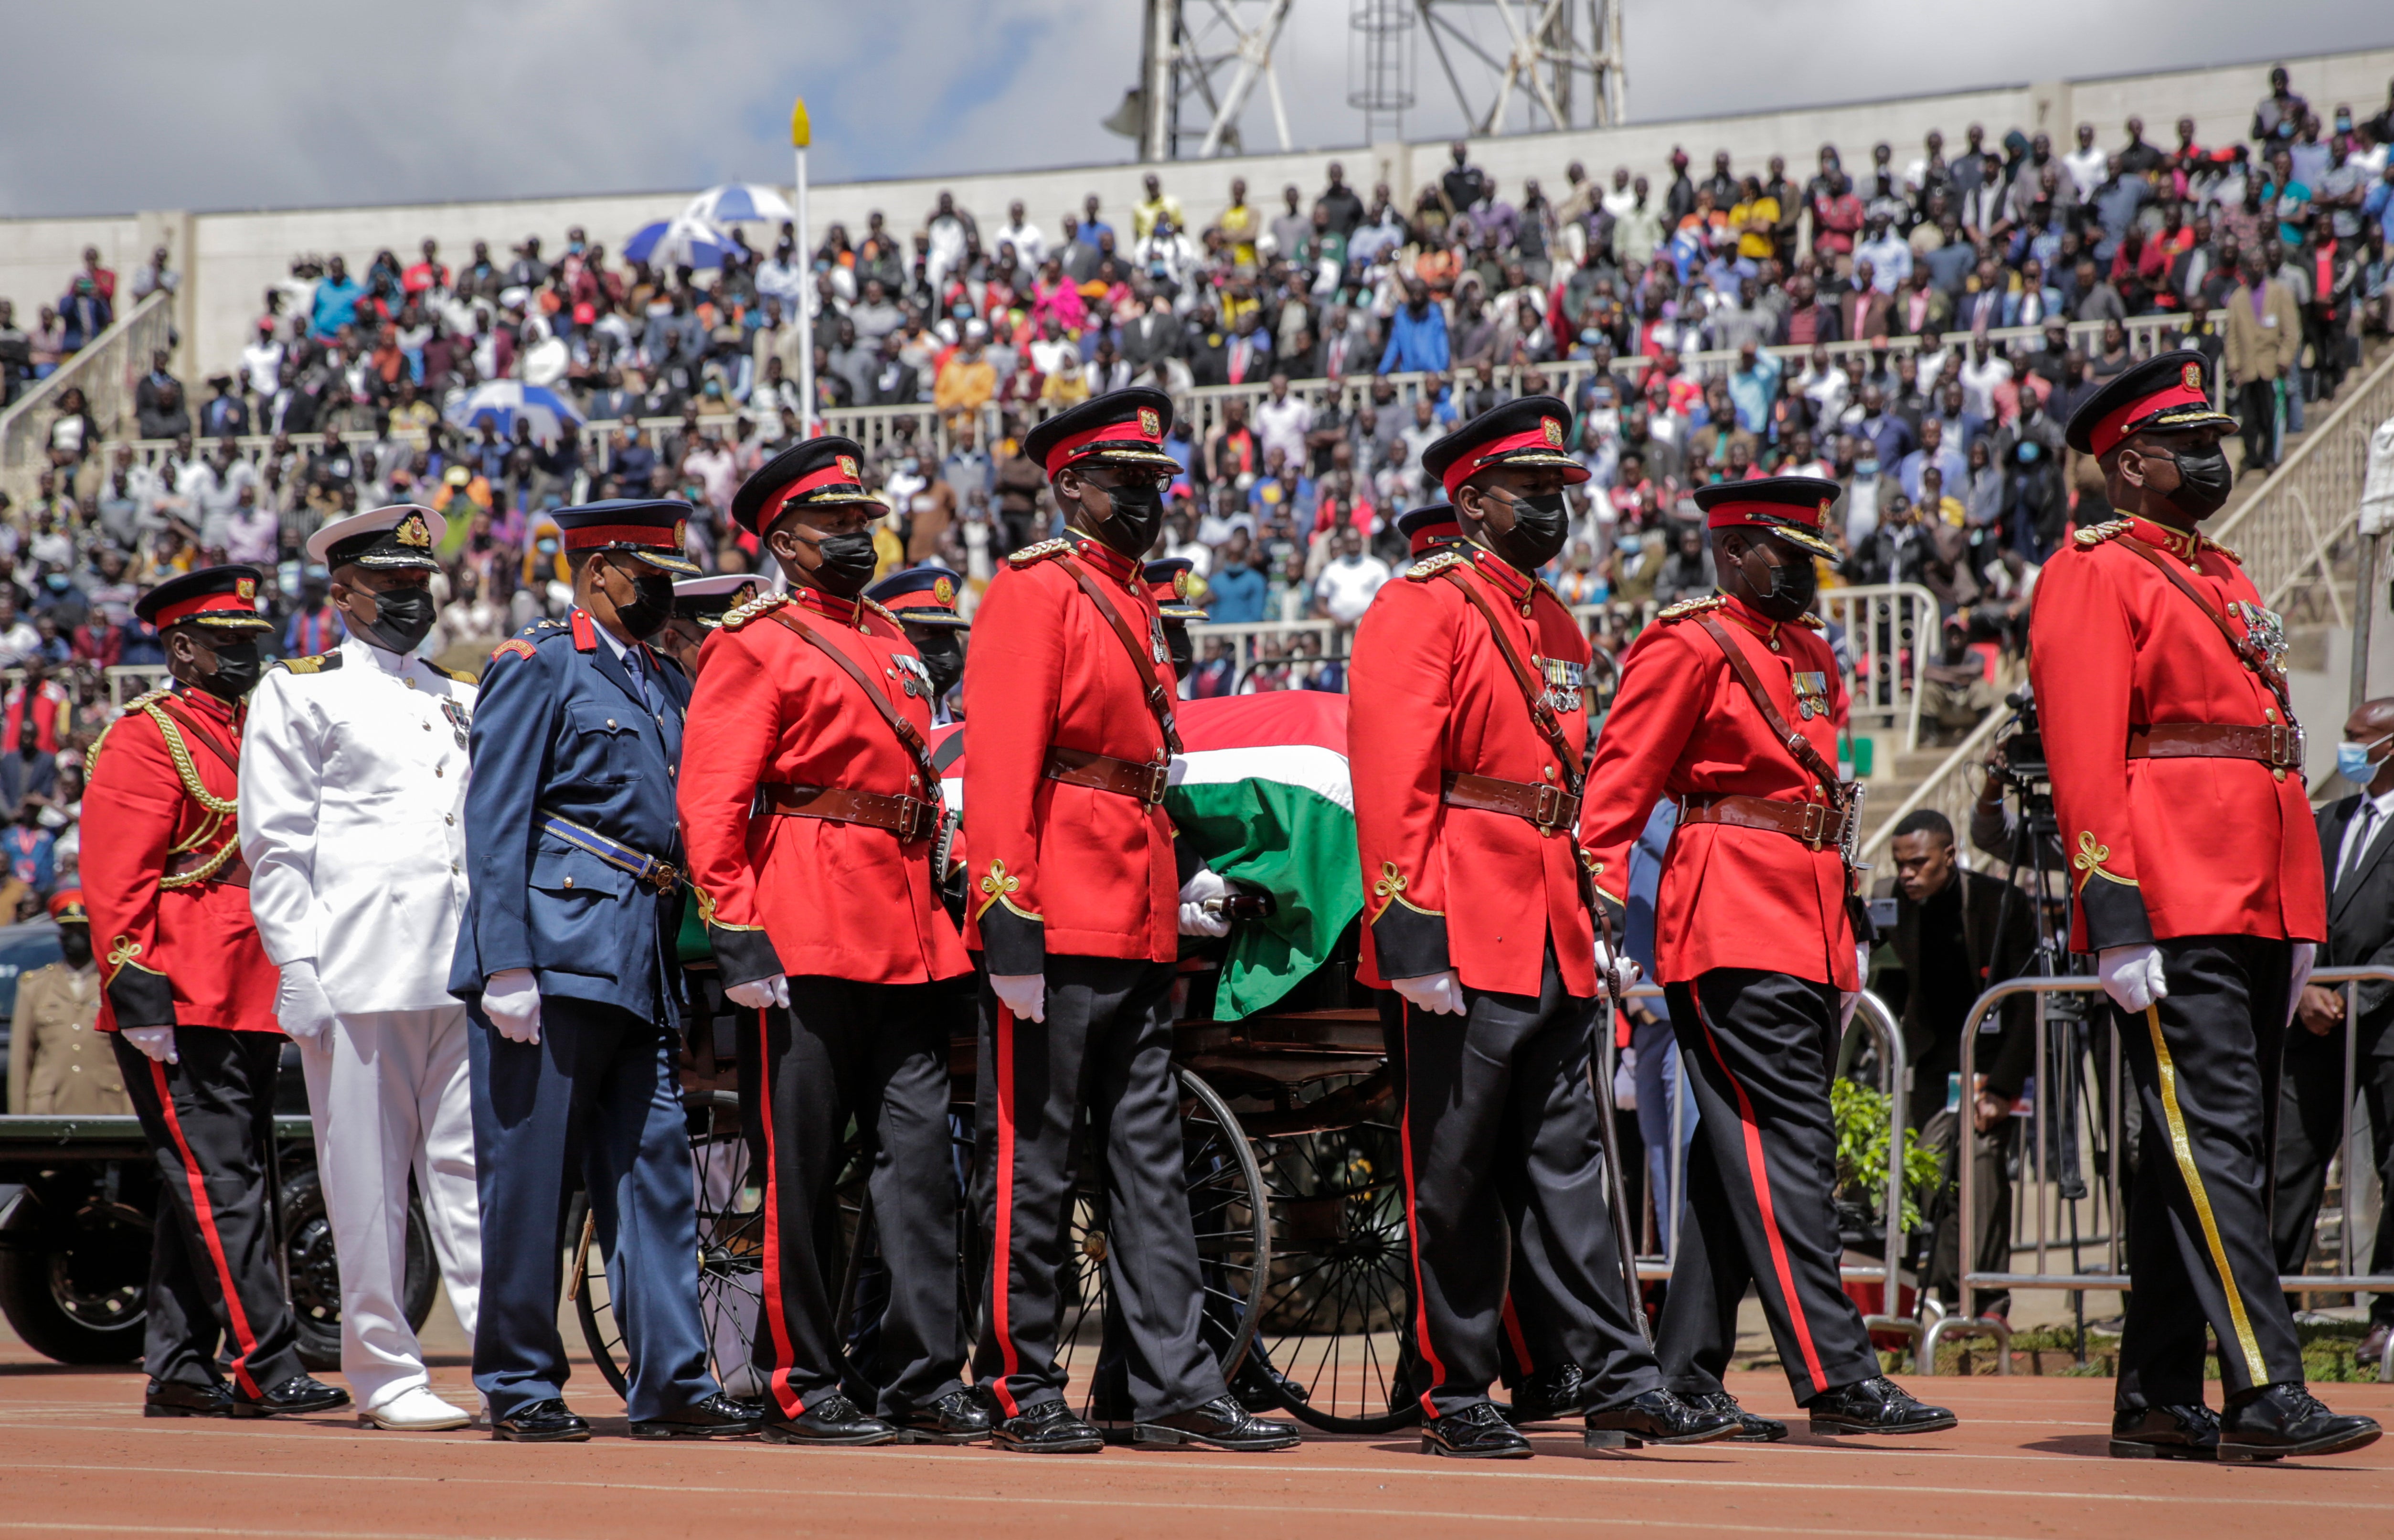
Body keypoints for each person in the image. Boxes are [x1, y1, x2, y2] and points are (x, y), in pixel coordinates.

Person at [1350, 397, 1736, 1460]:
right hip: (1460, 923)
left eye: (1559, 491)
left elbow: (1568, 788)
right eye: (1530, 492)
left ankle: (1618, 1377)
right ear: (1473, 502)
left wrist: (1590, 906)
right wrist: (1410, 931)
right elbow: (1393, 778)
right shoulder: (1419, 606)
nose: (1552, 509)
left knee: (1568, 1170)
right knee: (1453, 1172)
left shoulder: (1556, 622)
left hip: (1551, 928)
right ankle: (1452, 1388)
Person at [2036, 351, 2378, 1462]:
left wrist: (2299, 910)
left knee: (2191, 1146)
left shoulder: (2222, 571)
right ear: (2128, 463)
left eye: (2210, 440)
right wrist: (2114, 912)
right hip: (2174, 890)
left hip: (2254, 891)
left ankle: (2155, 1389)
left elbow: (2269, 748)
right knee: (2219, 1136)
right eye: (2185, 444)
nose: (2208, 459)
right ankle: (2265, 1381)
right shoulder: (2094, 571)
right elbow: (2084, 750)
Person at [1576, 477, 1956, 1442]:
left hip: (1806, 918)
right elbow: (1618, 781)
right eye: (1785, 556)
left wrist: (1844, 931)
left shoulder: (1810, 650)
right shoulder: (1687, 643)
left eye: (1808, 558)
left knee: (1730, 1160)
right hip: (1732, 917)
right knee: (1789, 1147)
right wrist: (1595, 901)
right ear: (1732, 552)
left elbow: (1825, 800)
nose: (1801, 575)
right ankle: (1838, 1373)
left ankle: (1685, 1375)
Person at [962, 389, 1298, 1454]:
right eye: (1127, 482)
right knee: (1034, 1160)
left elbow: (1145, 772)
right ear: (1071, 487)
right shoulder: (1035, 592)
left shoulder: (1130, 599)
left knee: (1149, 1164)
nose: (1149, 500)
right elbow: (1003, 764)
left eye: (1157, 482)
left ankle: (1171, 1383)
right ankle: (1018, 1381)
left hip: (1134, 911)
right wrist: (1006, 915)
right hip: (1057, 914)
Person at [678, 439, 983, 1448]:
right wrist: (736, 931)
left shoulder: (890, 636)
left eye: (863, 520)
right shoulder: (754, 641)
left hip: (906, 927)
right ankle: (798, 1378)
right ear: (784, 542)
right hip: (802, 929)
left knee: (920, 1169)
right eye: (835, 524)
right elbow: (713, 800)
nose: (858, 536)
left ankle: (921, 1375)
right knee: (800, 1174)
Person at [449, 499, 760, 1444]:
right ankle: (519, 1382)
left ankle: (671, 1380)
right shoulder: (538, 665)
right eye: (647, 573)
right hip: (551, 955)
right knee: (530, 1183)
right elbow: (494, 819)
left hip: (639, 956)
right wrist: (505, 961)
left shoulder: (661, 677)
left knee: (654, 1176)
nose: (662, 591)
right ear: (596, 572)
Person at [238, 504, 484, 1432]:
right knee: (367, 1184)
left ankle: (506, 1357)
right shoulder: (300, 691)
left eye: (420, 583)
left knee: (472, 1175)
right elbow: (276, 843)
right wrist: (295, 960)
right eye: (392, 586)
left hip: (457, 965)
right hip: (357, 965)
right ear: (343, 594)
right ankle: (384, 1370)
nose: (411, 599)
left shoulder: (457, 694)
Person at [85, 566, 348, 1421]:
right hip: (181, 989)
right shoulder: (145, 736)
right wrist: (136, 988)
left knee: (212, 1181)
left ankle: (180, 1365)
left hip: (250, 984)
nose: (245, 655)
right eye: (225, 642)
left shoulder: (254, 730)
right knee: (221, 1182)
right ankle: (264, 1362)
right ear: (182, 651)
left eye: (250, 640)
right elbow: (116, 878)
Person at [1876, 809, 2035, 1324]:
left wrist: (2003, 1087)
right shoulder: (1888, 900)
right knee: (1930, 1165)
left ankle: (1986, 1301)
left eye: (1918, 863)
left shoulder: (1997, 901)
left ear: (1949, 856)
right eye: (1900, 864)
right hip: (1931, 1059)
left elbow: (2026, 1002)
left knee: (1982, 1161)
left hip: (1991, 1059)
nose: (1907, 874)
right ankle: (1947, 1296)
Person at [2276, 698, 2394, 1369]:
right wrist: (2305, 990)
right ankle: (2266, 1311)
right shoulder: (2328, 821)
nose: (2349, 747)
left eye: (2360, 737)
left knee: (2393, 1166)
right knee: (2289, 1163)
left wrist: (2355, 994)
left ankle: (2386, 1316)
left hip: (2385, 1027)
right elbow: (2290, 909)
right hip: (2314, 1023)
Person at [4, 890, 123, 1115]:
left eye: (82, 929)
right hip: (50, 1110)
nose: (75, 936)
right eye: (69, 929)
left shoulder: (115, 985)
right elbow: (21, 1059)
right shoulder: (35, 986)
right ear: (60, 935)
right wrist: (20, 1120)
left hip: (108, 1107)